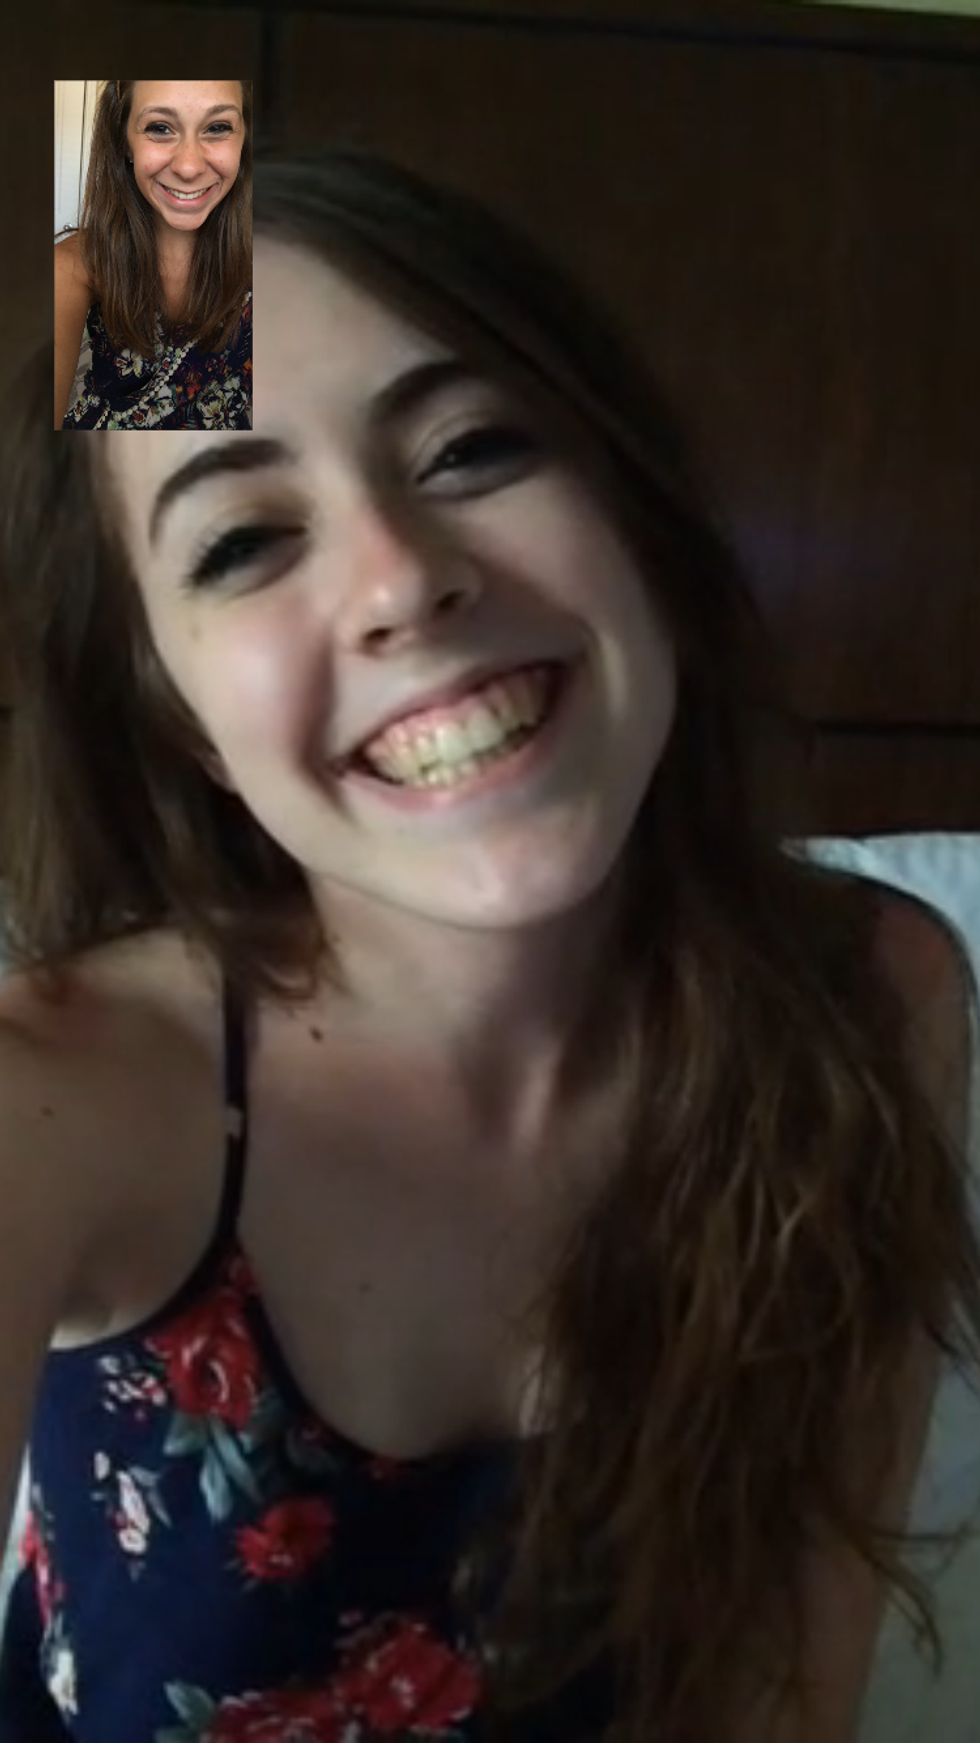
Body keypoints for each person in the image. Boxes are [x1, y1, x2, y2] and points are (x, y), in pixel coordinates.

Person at [0, 142, 977, 1742]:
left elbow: (782, 1695)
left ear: (635, 508)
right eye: (243, 542)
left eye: (469, 446)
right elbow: (146, 166)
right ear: (178, 720)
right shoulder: (58, 1092)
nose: (400, 578)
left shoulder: (876, 994)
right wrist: (151, 179)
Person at [54, 78, 252, 431]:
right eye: (159, 128)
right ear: (124, 142)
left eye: (218, 127)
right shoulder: (71, 267)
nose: (189, 167)